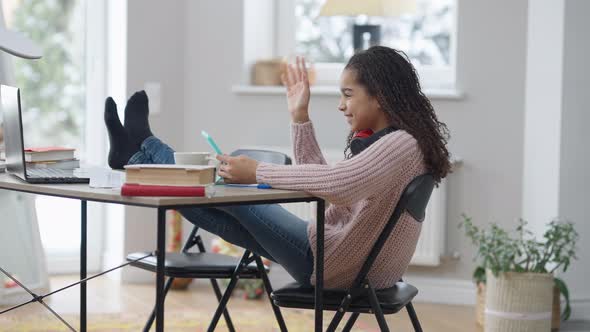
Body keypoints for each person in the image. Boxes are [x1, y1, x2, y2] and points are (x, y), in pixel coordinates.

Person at [104, 46, 451, 289]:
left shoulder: (402, 144)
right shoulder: (395, 141)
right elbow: (332, 191)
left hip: (337, 266)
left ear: (379, 95)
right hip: (346, 264)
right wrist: (299, 116)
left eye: (348, 94)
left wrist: (257, 172)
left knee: (231, 192)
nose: (341, 106)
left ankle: (144, 148)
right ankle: (138, 153)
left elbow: (339, 184)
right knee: (203, 200)